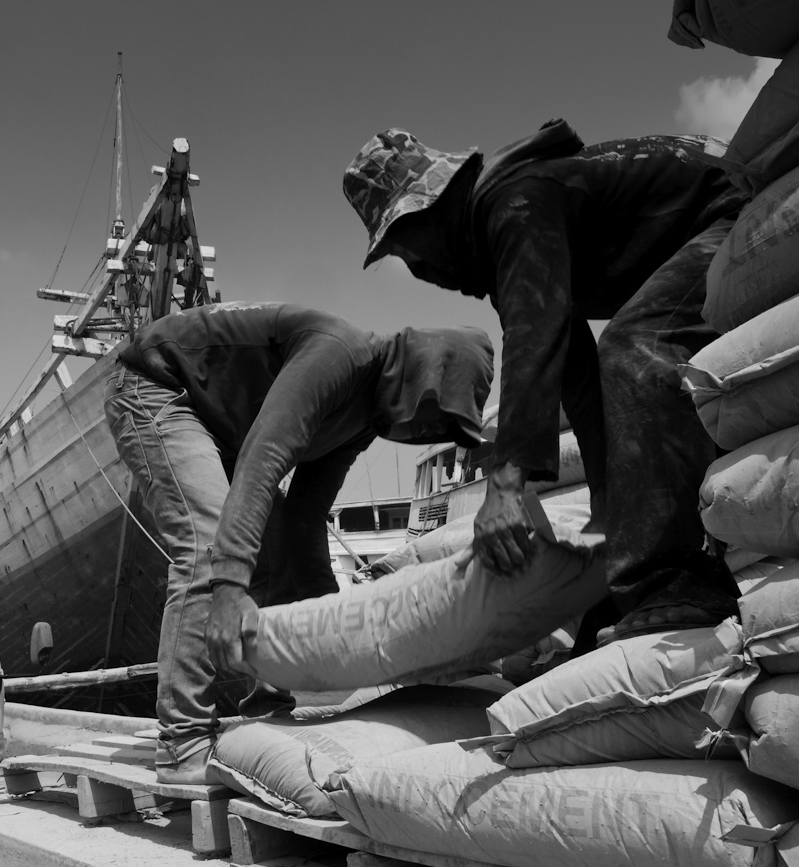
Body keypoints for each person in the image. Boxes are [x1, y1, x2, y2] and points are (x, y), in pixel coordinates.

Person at [343, 121, 749, 648]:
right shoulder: (505, 236)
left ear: (434, 208)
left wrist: (506, 490)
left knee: (636, 346)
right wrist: (611, 525)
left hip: (730, 212)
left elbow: (536, 338)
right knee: (613, 371)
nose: (415, 266)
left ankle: (682, 579)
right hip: (707, 220)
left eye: (404, 245)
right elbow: (575, 379)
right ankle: (639, 579)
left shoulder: (514, 206)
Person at [103, 301, 494, 783]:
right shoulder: (339, 356)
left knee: (269, 554)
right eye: (435, 417)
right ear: (419, 375)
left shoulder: (363, 423)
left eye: (440, 431)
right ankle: (181, 742)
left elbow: (304, 522)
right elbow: (263, 460)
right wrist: (227, 587)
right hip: (157, 387)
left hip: (224, 427)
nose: (426, 433)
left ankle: (268, 707)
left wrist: (342, 630)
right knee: (210, 545)